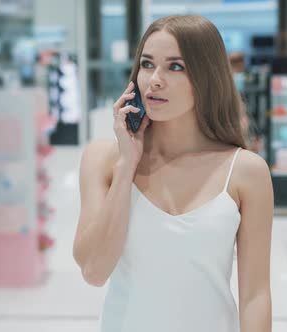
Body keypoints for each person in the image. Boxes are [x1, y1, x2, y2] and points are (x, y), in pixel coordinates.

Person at [73, 15, 273, 332]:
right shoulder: (104, 159)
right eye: (147, 64)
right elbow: (94, 271)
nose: (154, 79)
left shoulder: (245, 172)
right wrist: (127, 166)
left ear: (206, 77)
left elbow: (256, 296)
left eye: (175, 67)